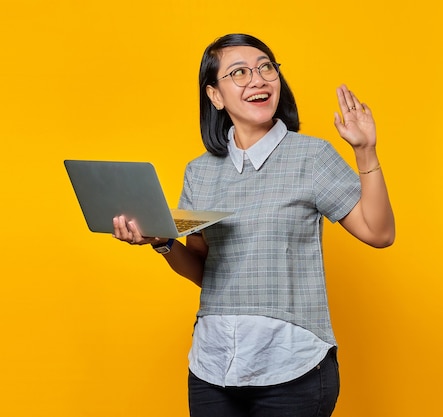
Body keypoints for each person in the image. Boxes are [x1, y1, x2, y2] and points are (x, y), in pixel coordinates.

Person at [112, 33, 394, 417]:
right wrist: (160, 242)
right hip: (213, 366)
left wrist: (365, 151)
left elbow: (379, 233)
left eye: (265, 68)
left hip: (293, 365)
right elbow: (202, 269)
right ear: (215, 96)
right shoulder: (200, 172)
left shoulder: (311, 156)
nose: (258, 79)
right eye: (239, 73)